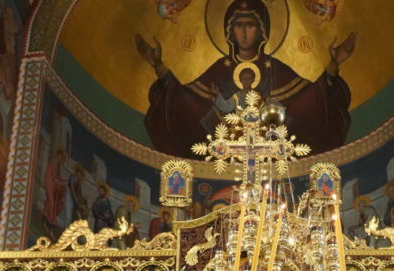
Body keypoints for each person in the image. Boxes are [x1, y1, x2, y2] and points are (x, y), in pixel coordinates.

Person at [135, 0, 354, 157]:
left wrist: (333, 65)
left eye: (250, 25)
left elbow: (307, 101)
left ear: (262, 30)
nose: (245, 32)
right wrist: (159, 65)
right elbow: (189, 101)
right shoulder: (219, 68)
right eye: (239, 25)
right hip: (224, 149)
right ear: (229, 31)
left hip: (271, 149)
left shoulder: (276, 69)